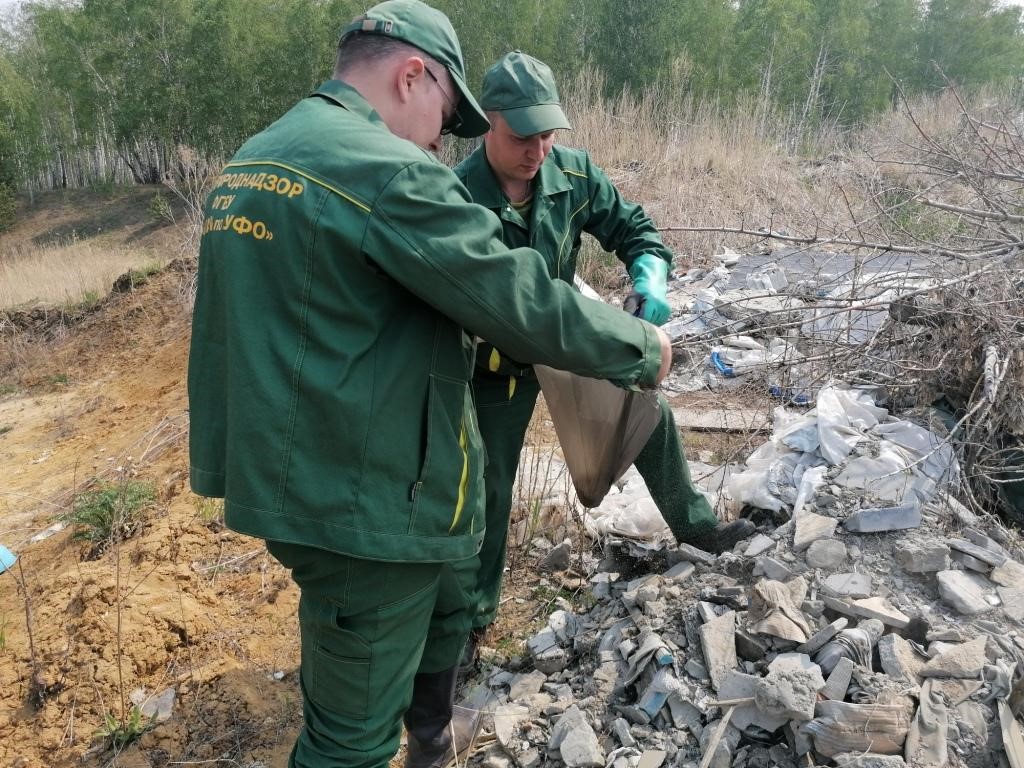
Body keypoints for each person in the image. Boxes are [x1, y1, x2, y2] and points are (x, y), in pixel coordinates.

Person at [186, 5, 673, 768]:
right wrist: (642, 346)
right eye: (445, 117)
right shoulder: (382, 168)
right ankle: (402, 738)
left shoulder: (259, 154)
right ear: (412, 74)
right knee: (347, 739)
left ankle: (434, 740)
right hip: (365, 503)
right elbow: (516, 298)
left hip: (296, 470)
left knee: (447, 592)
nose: (440, 143)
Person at [453, 51, 755, 661]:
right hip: (495, 366)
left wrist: (650, 277)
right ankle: (470, 624)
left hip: (567, 337)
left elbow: (634, 230)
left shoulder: (573, 175)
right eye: (521, 136)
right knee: (485, 488)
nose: (536, 150)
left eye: (547, 134)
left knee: (648, 414)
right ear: (489, 122)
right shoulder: (457, 196)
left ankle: (697, 528)